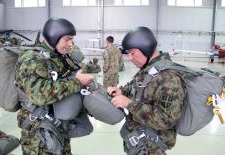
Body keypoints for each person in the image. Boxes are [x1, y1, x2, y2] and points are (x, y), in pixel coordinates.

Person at [15, 17, 94, 155]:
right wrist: (77, 82)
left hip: (58, 126)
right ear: (53, 37)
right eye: (67, 39)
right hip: (38, 133)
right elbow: (39, 95)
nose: (71, 44)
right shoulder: (32, 59)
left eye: (71, 39)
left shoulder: (57, 57)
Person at [107, 27, 186, 155]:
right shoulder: (150, 70)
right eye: (128, 53)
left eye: (133, 53)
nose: (130, 58)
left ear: (147, 48)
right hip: (140, 141)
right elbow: (138, 87)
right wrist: (121, 91)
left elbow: (166, 119)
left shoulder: (169, 77)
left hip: (152, 147)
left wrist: (129, 104)